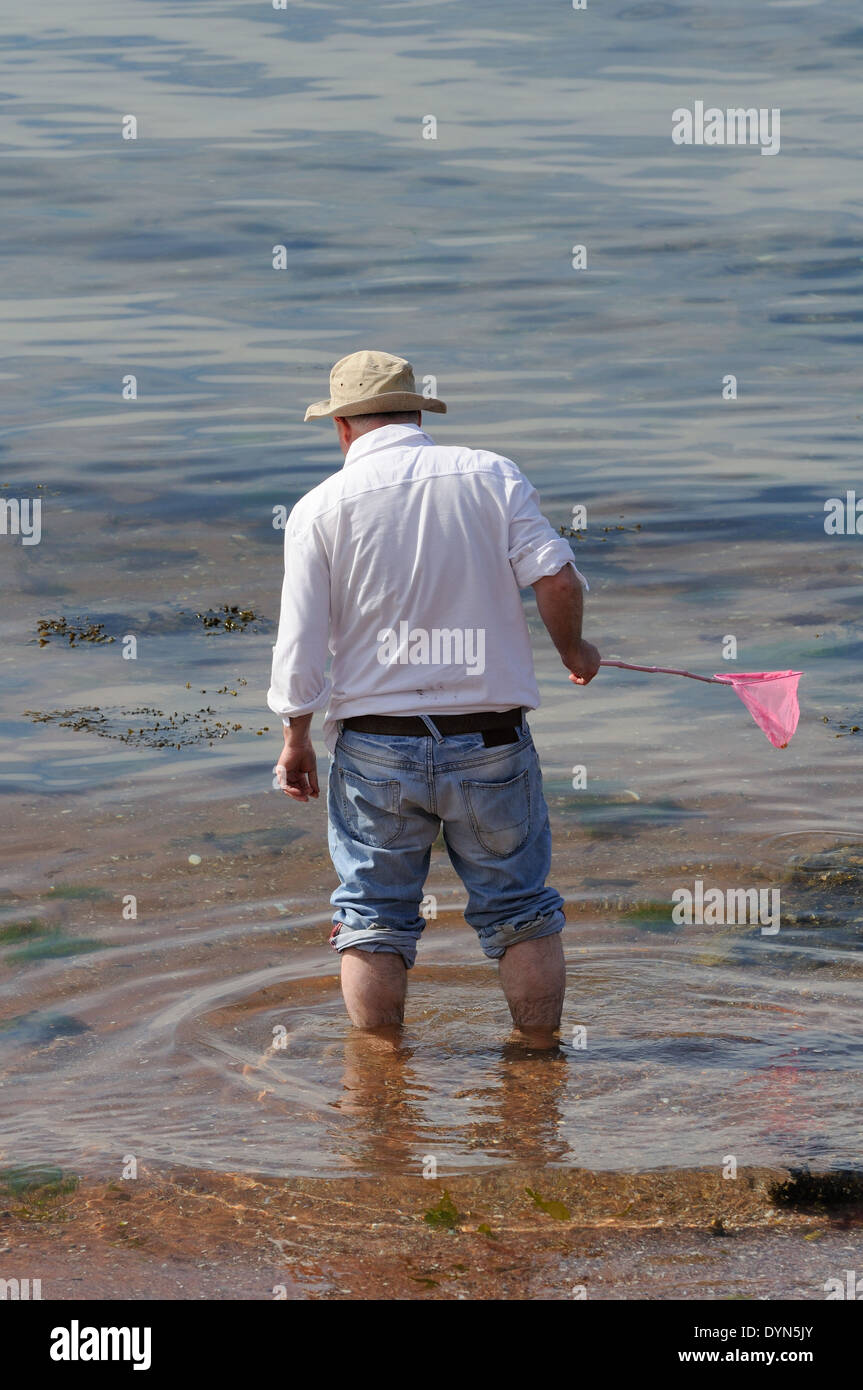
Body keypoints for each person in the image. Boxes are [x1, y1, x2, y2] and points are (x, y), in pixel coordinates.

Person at [267, 350, 600, 1042]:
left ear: (342, 429)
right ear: (417, 413)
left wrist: (295, 737)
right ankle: (538, 1064)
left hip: (375, 746)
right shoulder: (490, 474)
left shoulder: (317, 509)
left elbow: (299, 646)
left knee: (373, 917)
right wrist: (575, 653)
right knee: (521, 912)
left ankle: (381, 1080)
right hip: (491, 740)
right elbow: (559, 581)